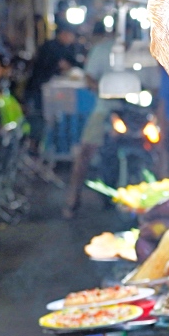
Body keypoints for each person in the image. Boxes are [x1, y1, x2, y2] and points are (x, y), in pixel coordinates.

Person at [63, 24, 116, 217]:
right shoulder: (103, 50)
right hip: (105, 109)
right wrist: (104, 90)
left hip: (139, 112)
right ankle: (73, 199)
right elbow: (89, 77)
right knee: (85, 151)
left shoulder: (148, 50)